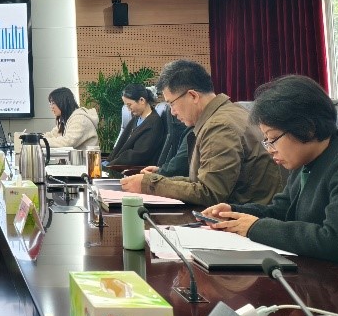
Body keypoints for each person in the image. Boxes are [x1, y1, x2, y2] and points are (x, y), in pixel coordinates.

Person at [201, 75, 338, 273]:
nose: (270, 149)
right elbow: (282, 211)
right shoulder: (310, 155)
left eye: (273, 139)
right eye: (266, 140)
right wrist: (233, 213)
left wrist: (255, 228)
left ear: (307, 128)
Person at [120, 60, 282, 207]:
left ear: (193, 96)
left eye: (171, 104)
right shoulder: (231, 112)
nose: (173, 112)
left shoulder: (220, 126)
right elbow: (203, 181)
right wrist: (160, 179)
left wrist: (150, 184)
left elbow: (210, 193)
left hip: (243, 217)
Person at [106, 84, 165, 166]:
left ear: (141, 100)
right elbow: (121, 144)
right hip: (118, 165)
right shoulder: (136, 118)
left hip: (132, 170)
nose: (128, 109)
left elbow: (138, 156)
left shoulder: (154, 123)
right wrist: (108, 162)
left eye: (129, 105)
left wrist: (111, 165)